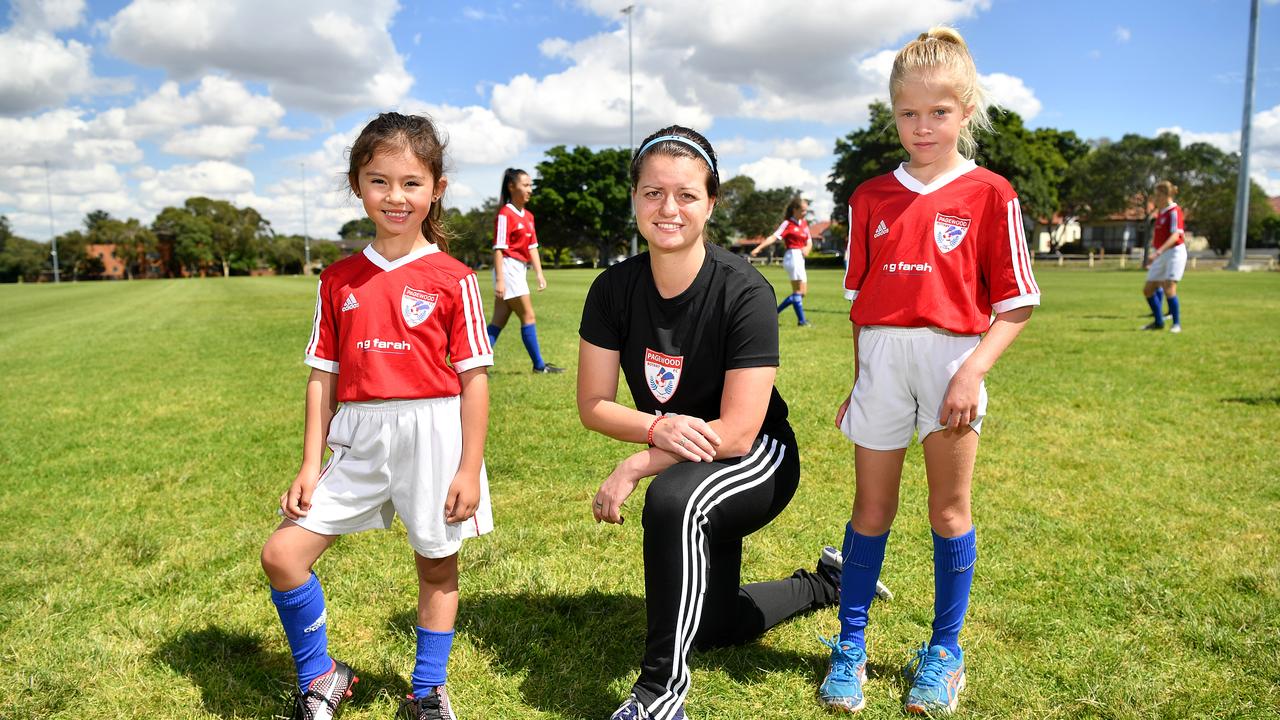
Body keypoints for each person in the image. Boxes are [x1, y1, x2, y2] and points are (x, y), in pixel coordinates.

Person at [578, 126, 841, 720]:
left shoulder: (743, 289)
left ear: (711, 202)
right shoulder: (613, 288)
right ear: (635, 199)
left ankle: (657, 696)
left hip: (757, 457)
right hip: (690, 453)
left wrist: (642, 458)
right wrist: (655, 428)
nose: (668, 208)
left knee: (673, 501)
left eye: (686, 194)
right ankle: (827, 584)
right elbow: (593, 402)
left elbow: (740, 431)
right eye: (652, 193)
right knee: (716, 624)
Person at [819, 27, 1039, 715]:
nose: (923, 126)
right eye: (909, 113)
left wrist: (971, 373)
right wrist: (859, 382)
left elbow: (1015, 304)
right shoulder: (869, 198)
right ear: (894, 114)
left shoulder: (991, 194)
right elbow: (860, 309)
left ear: (966, 111)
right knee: (871, 509)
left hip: (953, 361)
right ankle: (849, 646)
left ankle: (944, 653)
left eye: (939, 112)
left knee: (948, 511)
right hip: (883, 361)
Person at [259, 112, 494, 720]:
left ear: (435, 189)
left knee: (437, 563)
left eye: (411, 183)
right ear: (357, 184)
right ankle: (322, 676)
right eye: (379, 181)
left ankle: (427, 691)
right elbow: (322, 377)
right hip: (358, 436)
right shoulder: (338, 278)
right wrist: (310, 464)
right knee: (283, 555)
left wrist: (469, 468)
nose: (396, 196)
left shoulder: (455, 278)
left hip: (434, 432)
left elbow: (474, 381)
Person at [486, 168, 565, 372]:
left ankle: (475, 365)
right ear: (512, 187)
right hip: (508, 268)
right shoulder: (505, 214)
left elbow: (532, 247)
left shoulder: (529, 216)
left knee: (499, 320)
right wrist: (500, 280)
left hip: (519, 269)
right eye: (526, 185)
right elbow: (498, 250)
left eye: (531, 185)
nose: (530, 189)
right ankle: (539, 366)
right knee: (528, 316)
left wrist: (539, 273)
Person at [751, 196, 814, 326]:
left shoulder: (804, 224)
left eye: (806, 210)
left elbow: (809, 241)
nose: (805, 213)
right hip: (792, 256)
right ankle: (798, 320)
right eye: (802, 210)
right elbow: (774, 237)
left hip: (800, 258)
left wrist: (807, 248)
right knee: (799, 292)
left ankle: (781, 315)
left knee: (802, 292)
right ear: (795, 210)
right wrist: (759, 248)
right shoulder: (787, 223)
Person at [1142, 181, 1186, 333]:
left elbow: (1175, 235)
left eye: (1158, 195)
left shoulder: (1175, 211)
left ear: (1166, 195)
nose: (1155, 198)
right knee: (1148, 290)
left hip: (1174, 252)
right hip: (1161, 254)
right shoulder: (1161, 212)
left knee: (1169, 287)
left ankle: (1176, 324)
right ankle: (1158, 322)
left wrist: (1158, 252)